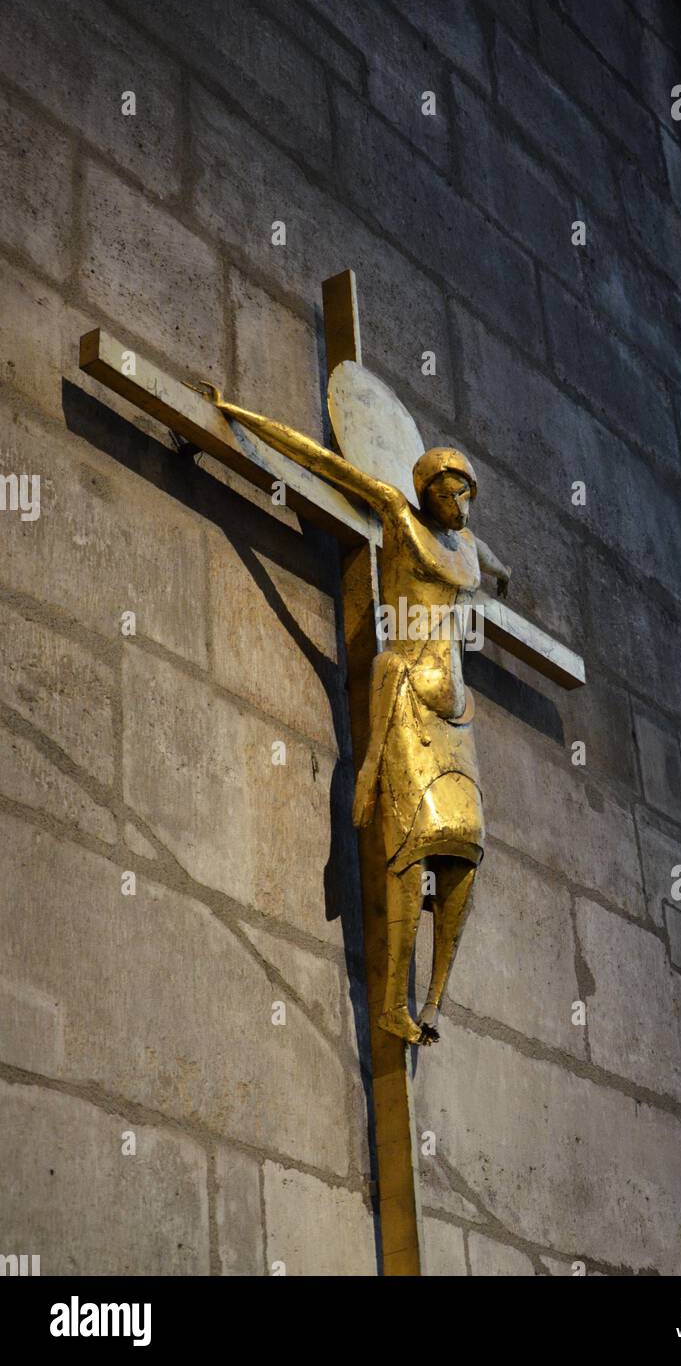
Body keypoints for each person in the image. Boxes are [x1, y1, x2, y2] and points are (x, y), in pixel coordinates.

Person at [195, 383, 510, 1046]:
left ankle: (434, 1001)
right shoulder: (397, 515)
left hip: (456, 714)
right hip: (404, 696)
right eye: (450, 493)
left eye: (467, 495)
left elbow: (495, 569)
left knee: (466, 854)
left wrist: (504, 578)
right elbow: (322, 463)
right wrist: (231, 411)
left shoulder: (469, 547)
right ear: (426, 490)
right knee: (409, 847)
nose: (460, 505)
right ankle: (392, 1001)